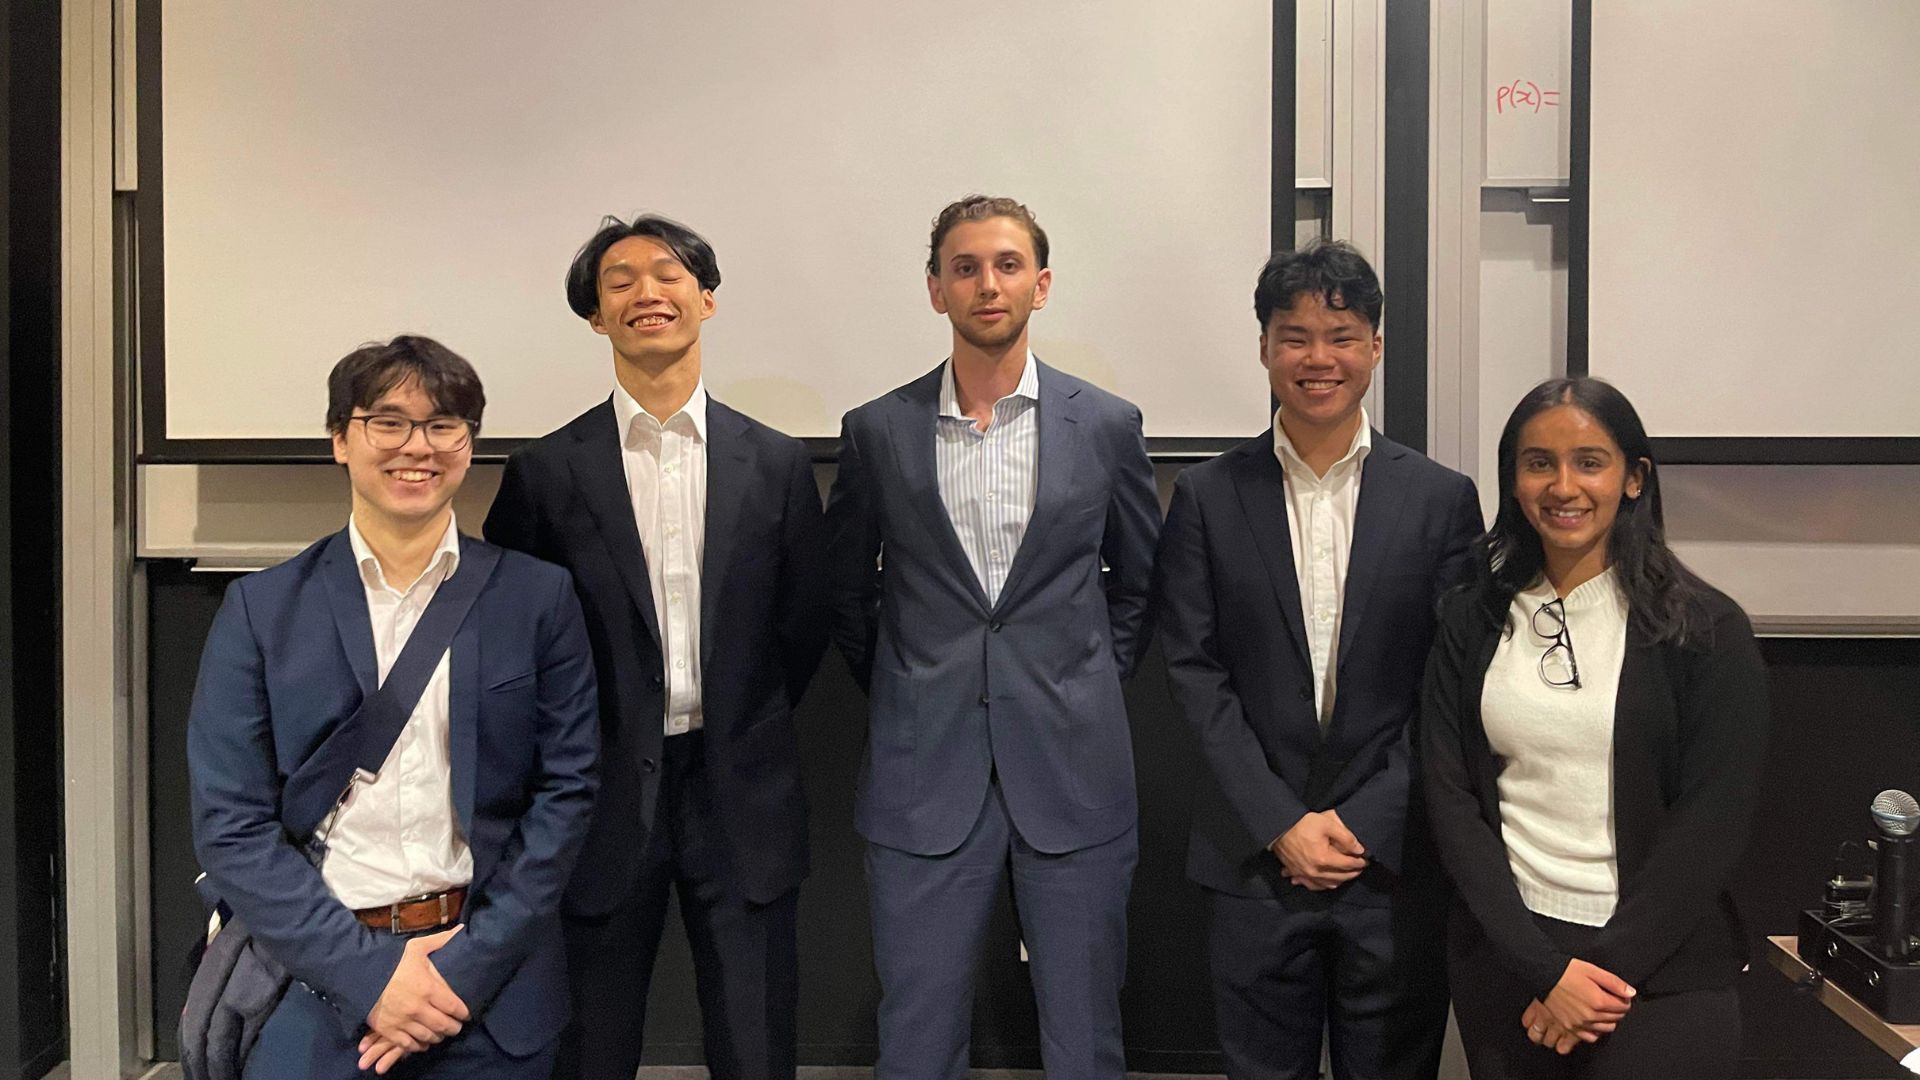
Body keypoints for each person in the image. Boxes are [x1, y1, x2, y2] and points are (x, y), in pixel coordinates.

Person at [188, 335, 600, 1078]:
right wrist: (369, 978)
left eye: (444, 424)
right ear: (341, 440)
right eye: (389, 422)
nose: (419, 446)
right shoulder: (263, 609)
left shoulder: (537, 599)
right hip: (311, 989)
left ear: (469, 446)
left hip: (489, 991)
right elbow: (232, 825)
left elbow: (565, 795)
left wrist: (461, 972)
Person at [484, 213, 827, 1080]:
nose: (647, 292)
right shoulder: (546, 472)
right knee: (590, 1049)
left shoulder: (778, 463)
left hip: (740, 790)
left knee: (756, 1049)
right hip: (596, 799)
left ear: (706, 301)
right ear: (596, 318)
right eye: (620, 281)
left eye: (668, 274)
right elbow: (512, 646)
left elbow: (803, 623)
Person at [824, 194, 1160, 1079]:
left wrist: (1081, 682)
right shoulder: (877, 431)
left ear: (1041, 285)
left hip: (1075, 772)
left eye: (1008, 265)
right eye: (965, 267)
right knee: (918, 1035)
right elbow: (849, 598)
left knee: (1085, 1037)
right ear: (935, 289)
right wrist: (911, 686)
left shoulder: (1110, 427)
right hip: (920, 772)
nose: (987, 283)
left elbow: (1141, 585)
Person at [1154, 239, 1481, 1080]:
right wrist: (1280, 822)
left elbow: (1453, 686)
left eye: (1340, 335)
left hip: (1395, 860)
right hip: (1253, 858)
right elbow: (1194, 672)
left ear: (1375, 347)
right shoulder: (1205, 496)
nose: (1317, 357)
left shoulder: (1442, 500)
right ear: (1264, 347)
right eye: (1294, 335)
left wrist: (1364, 822)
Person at [1421, 376, 1769, 1080]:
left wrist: (1593, 979)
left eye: (1590, 461)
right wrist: (1542, 971)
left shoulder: (1706, 630)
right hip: (1508, 964)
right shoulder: (1472, 617)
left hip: (1658, 973)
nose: (1562, 485)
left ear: (1634, 478)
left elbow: (1711, 824)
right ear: (1513, 481)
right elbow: (1451, 798)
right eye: (1538, 462)